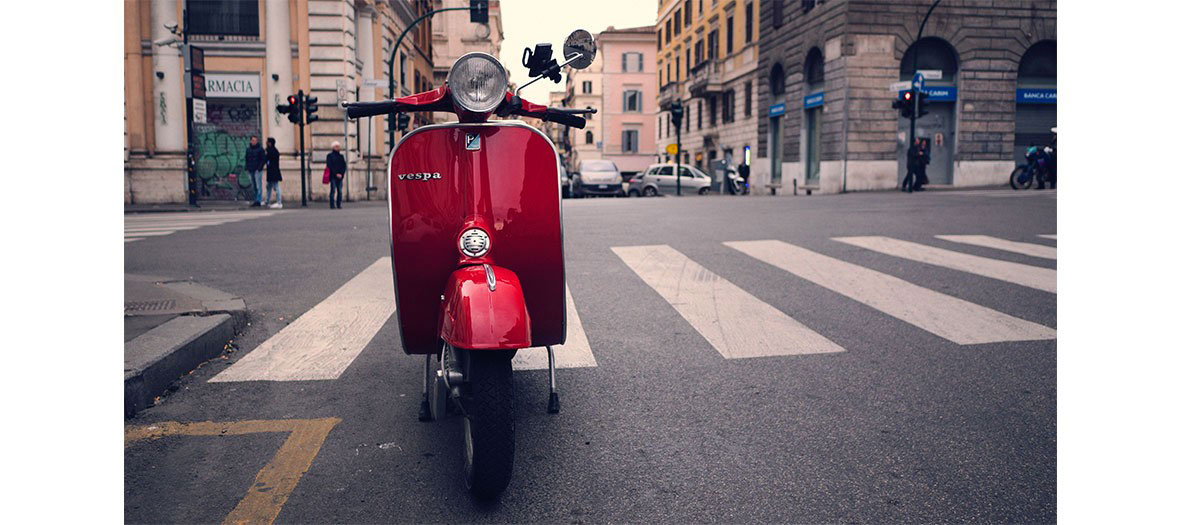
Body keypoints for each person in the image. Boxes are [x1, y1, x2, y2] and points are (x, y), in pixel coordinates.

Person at [244, 136, 267, 206]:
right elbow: (247, 159)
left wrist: (259, 168)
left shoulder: (260, 149)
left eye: (255, 140)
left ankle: (258, 200)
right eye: (253, 140)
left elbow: (263, 159)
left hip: (257, 170)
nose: (254, 142)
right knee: (253, 185)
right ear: (251, 141)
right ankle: (255, 199)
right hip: (251, 170)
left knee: (258, 185)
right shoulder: (248, 149)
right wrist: (247, 168)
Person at [326, 141, 347, 209]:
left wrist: (341, 174)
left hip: (340, 176)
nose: (338, 148)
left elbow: (344, 166)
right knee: (333, 190)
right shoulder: (329, 156)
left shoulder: (341, 156)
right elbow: (330, 166)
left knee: (340, 191)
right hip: (333, 176)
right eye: (336, 146)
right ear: (333, 147)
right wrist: (336, 174)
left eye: (338, 146)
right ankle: (332, 204)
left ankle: (339, 204)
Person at [264, 137, 283, 208]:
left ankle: (279, 202)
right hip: (272, 171)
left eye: (267, 142)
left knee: (276, 187)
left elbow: (268, 160)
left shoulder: (272, 151)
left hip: (273, 171)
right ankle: (267, 201)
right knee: (268, 186)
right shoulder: (271, 150)